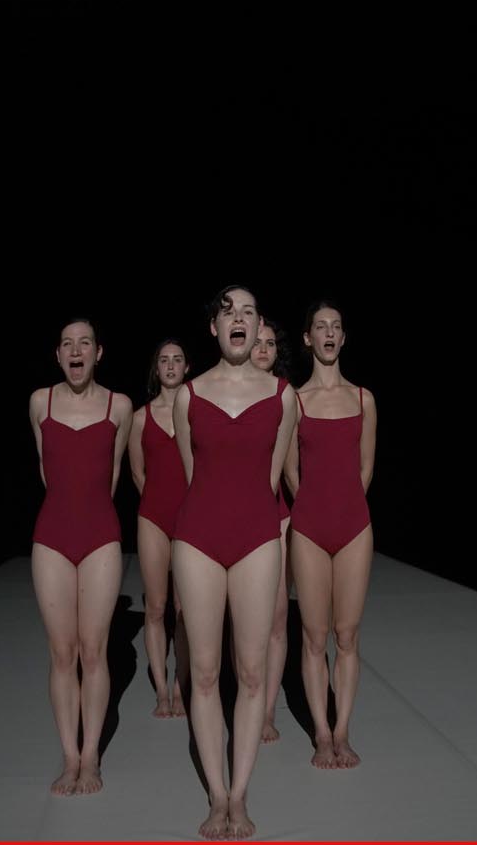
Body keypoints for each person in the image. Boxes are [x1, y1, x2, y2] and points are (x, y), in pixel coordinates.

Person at [172, 286, 299, 840]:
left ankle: (241, 794)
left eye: (249, 312)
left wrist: (252, 523)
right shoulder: (189, 396)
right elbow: (192, 475)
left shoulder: (283, 397)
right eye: (229, 313)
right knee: (204, 674)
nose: (239, 320)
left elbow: (272, 479)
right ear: (215, 328)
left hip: (257, 539)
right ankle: (216, 795)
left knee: (250, 673)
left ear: (258, 324)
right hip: (197, 539)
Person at [28, 318, 134, 796]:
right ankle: (68, 757)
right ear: (58, 355)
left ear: (98, 353)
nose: (76, 350)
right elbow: (46, 471)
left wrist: (88, 514)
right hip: (52, 534)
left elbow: (112, 475)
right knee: (61, 652)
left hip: (100, 535)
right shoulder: (40, 402)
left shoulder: (119, 407)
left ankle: (90, 757)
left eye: (84, 343)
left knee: (94, 651)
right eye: (67, 344)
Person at [284, 301, 376, 770]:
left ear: (343, 338)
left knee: (348, 634)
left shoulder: (363, 399)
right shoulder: (295, 401)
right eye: (320, 326)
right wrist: (314, 508)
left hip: (354, 526)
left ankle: (343, 731)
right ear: (308, 338)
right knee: (314, 635)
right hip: (309, 527)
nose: (328, 333)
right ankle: (321, 733)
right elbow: (289, 471)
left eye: (336, 327)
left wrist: (343, 507)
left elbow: (365, 469)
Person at [127, 339, 192, 719]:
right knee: (155, 606)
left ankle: (182, 687)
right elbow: (137, 473)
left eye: (177, 360)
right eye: (164, 360)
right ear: (156, 368)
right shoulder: (140, 418)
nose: (170, 366)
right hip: (153, 516)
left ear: (187, 367)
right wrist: (156, 502)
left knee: (184, 609)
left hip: (189, 518)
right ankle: (162, 692)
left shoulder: (195, 413)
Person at [250, 317, 293, 744]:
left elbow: (291, 465)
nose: (263, 349)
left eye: (270, 343)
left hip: (277, 515)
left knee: (277, 616)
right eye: (257, 342)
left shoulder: (286, 396)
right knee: (245, 622)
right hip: (234, 519)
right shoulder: (223, 392)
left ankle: (266, 711)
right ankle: (246, 702)